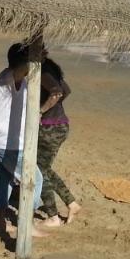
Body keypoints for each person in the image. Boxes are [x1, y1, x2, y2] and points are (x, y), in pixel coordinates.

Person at [0, 43, 57, 236]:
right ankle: (26, 224)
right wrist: (35, 57)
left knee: (3, 181)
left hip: (2, 140)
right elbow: (21, 70)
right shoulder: (6, 79)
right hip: (8, 144)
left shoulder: (17, 80)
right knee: (34, 180)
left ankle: (0, 221)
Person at [37, 56, 82, 224]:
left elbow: (57, 92)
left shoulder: (43, 70)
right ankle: (72, 203)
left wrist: (41, 110)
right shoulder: (51, 68)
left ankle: (53, 216)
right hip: (60, 124)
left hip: (50, 127)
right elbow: (67, 90)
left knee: (38, 171)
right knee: (44, 168)